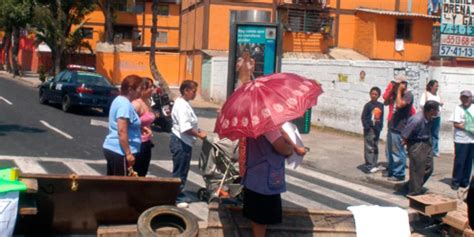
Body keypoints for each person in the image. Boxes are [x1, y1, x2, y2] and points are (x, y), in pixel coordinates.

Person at [242, 128, 305, 237]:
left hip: (254, 176)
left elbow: (283, 133)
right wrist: (291, 149)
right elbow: (282, 148)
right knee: (261, 219)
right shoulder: (269, 128)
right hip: (264, 180)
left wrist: (295, 146)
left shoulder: (255, 125)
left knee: (256, 216)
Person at [170, 80, 207, 208]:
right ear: (186, 90)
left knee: (183, 169)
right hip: (180, 141)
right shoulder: (180, 106)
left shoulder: (185, 104)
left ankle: (179, 193)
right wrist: (198, 134)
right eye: (193, 91)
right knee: (179, 170)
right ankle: (176, 197)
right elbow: (185, 128)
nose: (195, 94)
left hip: (185, 142)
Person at [103, 75, 143, 176]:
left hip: (115, 150)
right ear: (130, 89)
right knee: (122, 187)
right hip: (119, 152)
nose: (141, 91)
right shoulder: (124, 104)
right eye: (139, 88)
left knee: (114, 185)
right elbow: (122, 130)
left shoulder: (120, 100)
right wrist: (128, 154)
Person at [402, 101, 440, 195]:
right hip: (416, 144)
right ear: (431, 110)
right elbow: (405, 135)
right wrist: (408, 149)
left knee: (429, 168)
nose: (438, 111)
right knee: (417, 169)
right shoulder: (417, 120)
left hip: (426, 142)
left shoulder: (430, 117)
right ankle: (414, 193)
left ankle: (410, 186)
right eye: (437, 110)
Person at [384, 74, 414, 182]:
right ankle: (392, 171)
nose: (396, 85)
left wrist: (399, 91)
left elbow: (400, 105)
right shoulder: (395, 93)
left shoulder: (408, 95)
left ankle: (399, 174)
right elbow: (386, 102)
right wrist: (392, 91)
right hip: (393, 125)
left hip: (401, 127)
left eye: (398, 84)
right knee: (391, 151)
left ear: (403, 84)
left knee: (398, 151)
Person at [450, 90, 474, 190]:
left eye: (467, 97)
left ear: (471, 98)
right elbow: (456, 124)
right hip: (461, 139)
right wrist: (469, 127)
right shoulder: (458, 108)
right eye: (463, 97)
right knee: (460, 161)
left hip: (471, 140)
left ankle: (465, 181)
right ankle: (456, 181)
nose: (465, 99)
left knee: (469, 162)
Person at [132, 77, 156, 176]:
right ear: (142, 89)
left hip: (146, 142)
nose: (152, 89)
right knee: (135, 173)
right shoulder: (136, 104)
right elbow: (128, 123)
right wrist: (143, 128)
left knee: (143, 172)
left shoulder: (147, 102)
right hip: (137, 143)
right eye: (150, 87)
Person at [361, 87, 384, 173]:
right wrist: (367, 127)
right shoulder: (367, 106)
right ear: (370, 94)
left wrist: (380, 127)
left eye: (376, 94)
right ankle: (369, 166)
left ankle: (374, 164)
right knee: (369, 147)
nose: (374, 95)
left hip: (377, 129)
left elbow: (381, 117)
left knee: (375, 147)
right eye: (372, 94)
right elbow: (363, 117)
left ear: (378, 96)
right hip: (369, 129)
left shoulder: (380, 105)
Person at [419, 80, 443, 157]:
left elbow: (441, 105)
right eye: (436, 86)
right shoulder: (426, 94)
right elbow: (422, 104)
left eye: (438, 86)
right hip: (428, 117)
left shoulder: (438, 95)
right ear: (431, 86)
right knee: (426, 133)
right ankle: (426, 149)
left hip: (437, 117)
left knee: (435, 134)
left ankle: (434, 150)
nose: (437, 88)